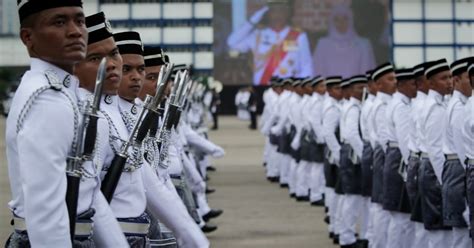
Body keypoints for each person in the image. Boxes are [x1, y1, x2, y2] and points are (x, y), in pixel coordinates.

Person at [4, 1, 108, 247]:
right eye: (59, 22)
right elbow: (46, 213)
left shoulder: (58, 90)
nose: (75, 31)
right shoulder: (47, 98)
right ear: (28, 37)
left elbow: (87, 190)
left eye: (80, 21)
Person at [227, 0, 313, 85]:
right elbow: (231, 42)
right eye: (274, 11)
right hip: (263, 87)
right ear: (267, 14)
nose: (278, 15)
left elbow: (306, 66)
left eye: (282, 11)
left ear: (287, 13)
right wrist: (254, 19)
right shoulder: (257, 35)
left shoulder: (299, 36)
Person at [419, 59, 453, 248]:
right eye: (443, 78)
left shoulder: (441, 102)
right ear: (431, 83)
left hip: (437, 172)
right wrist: (444, 182)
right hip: (436, 172)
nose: (449, 82)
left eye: (450, 77)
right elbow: (435, 149)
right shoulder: (434, 107)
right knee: (440, 233)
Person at [382, 68, 417, 248]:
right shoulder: (401, 107)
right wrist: (411, 169)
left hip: (394, 157)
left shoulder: (397, 103)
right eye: (412, 84)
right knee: (401, 218)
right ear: (401, 85)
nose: (416, 88)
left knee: (399, 219)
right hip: (400, 161)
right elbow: (404, 141)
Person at [442, 57, 473, 248]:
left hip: (460, 170)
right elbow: (463, 151)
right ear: (457, 81)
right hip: (460, 170)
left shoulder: (459, 104)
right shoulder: (460, 106)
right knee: (462, 234)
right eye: (468, 78)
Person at [369, 62, 397, 248]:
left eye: (395, 78)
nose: (395, 82)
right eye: (390, 79)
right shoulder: (381, 105)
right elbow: (384, 138)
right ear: (379, 84)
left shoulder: (387, 102)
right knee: (382, 207)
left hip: (385, 155)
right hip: (385, 155)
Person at [338, 75, 368, 248]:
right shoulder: (354, 108)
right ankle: (347, 238)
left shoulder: (353, 106)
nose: (362, 91)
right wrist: (364, 155)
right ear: (351, 90)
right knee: (352, 198)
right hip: (352, 153)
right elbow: (352, 134)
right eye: (358, 87)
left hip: (350, 151)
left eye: (364, 87)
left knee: (353, 198)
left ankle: (350, 234)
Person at [312, 4, 376, 78]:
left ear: (351, 20)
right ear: (331, 22)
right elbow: (317, 73)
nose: (341, 23)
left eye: (345, 18)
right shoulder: (323, 45)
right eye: (336, 19)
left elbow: (367, 73)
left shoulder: (363, 45)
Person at [321, 76, 343, 243]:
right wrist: (338, 154)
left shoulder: (334, 104)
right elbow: (328, 132)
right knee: (337, 191)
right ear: (329, 90)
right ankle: (335, 227)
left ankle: (335, 227)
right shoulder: (333, 108)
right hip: (334, 154)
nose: (340, 91)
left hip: (333, 152)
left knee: (335, 190)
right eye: (336, 88)